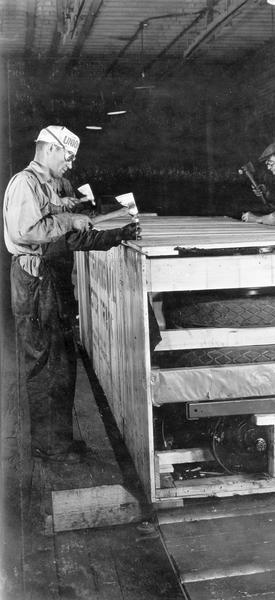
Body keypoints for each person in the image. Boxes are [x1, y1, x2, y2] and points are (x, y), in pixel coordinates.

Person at [3, 125, 140, 464]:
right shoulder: (25, 183)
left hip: (50, 276)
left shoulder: (48, 185)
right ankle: (50, 447)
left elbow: (63, 225)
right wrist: (69, 219)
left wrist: (99, 223)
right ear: (50, 149)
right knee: (46, 361)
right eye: (68, 155)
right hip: (36, 278)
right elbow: (29, 231)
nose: (71, 163)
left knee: (62, 361)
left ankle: (59, 440)